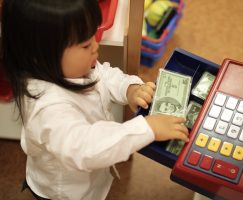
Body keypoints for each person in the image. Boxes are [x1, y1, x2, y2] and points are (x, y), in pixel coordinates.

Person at [1, 0, 189, 199]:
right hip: (65, 192)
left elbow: (103, 75)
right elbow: (87, 148)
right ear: (41, 54)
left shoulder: (69, 67)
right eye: (85, 44)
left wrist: (130, 89)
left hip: (91, 174)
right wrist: (147, 128)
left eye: (93, 36)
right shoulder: (48, 109)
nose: (95, 46)